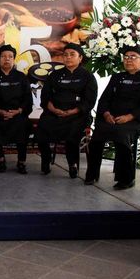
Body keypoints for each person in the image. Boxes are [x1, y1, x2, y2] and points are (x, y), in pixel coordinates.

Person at [84, 45, 140, 189]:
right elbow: (104, 99)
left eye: (133, 57)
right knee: (98, 133)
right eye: (126, 57)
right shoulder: (117, 77)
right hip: (112, 118)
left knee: (121, 133)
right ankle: (92, 174)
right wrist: (106, 114)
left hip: (136, 120)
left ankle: (126, 179)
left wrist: (129, 117)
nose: (128, 60)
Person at [36, 43, 98, 179]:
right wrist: (53, 109)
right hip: (54, 113)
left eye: (72, 55)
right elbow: (46, 96)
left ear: (80, 58)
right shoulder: (55, 75)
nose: (68, 57)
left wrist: (73, 111)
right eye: (65, 55)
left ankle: (72, 164)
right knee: (42, 128)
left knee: (73, 132)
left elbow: (89, 101)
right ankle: (45, 160)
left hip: (78, 114)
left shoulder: (88, 76)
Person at [0, 44, 32, 174]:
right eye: (3, 56)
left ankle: (21, 161)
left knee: (24, 125)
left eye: (10, 56)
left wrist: (19, 111)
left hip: (18, 113)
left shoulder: (21, 77)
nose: (7, 59)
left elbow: (28, 99)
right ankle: (0, 159)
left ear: (14, 59)